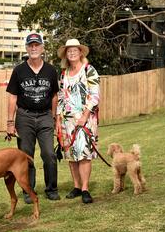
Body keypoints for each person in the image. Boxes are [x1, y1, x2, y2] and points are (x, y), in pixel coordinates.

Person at [6, 33, 60, 203]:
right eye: (31, 45)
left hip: (45, 116)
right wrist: (9, 122)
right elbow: (12, 97)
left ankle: (51, 188)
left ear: (42, 48)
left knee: (49, 154)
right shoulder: (19, 70)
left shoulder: (50, 70)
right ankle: (28, 190)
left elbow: (54, 96)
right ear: (27, 48)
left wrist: (54, 117)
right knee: (25, 155)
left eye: (37, 45)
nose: (34, 48)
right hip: (24, 117)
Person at [55, 38, 101, 204]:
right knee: (71, 155)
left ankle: (85, 188)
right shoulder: (63, 74)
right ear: (66, 55)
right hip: (68, 120)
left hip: (85, 119)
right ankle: (76, 186)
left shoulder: (89, 70)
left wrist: (85, 116)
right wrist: (58, 119)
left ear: (80, 52)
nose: (72, 53)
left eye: (75, 50)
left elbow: (95, 95)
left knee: (84, 153)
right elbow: (60, 97)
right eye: (69, 51)